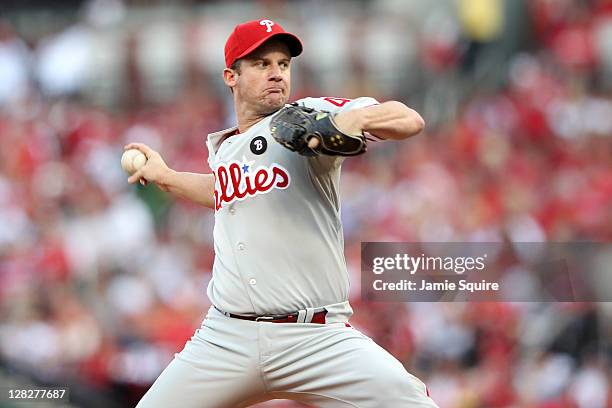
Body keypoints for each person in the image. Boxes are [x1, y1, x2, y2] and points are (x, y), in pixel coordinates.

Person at [129, 19, 438, 408]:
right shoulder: (227, 148)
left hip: (317, 339)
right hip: (227, 337)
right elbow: (224, 191)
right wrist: (166, 177)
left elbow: (409, 119)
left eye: (283, 64)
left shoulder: (306, 116)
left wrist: (352, 121)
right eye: (261, 64)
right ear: (231, 76)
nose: (277, 73)